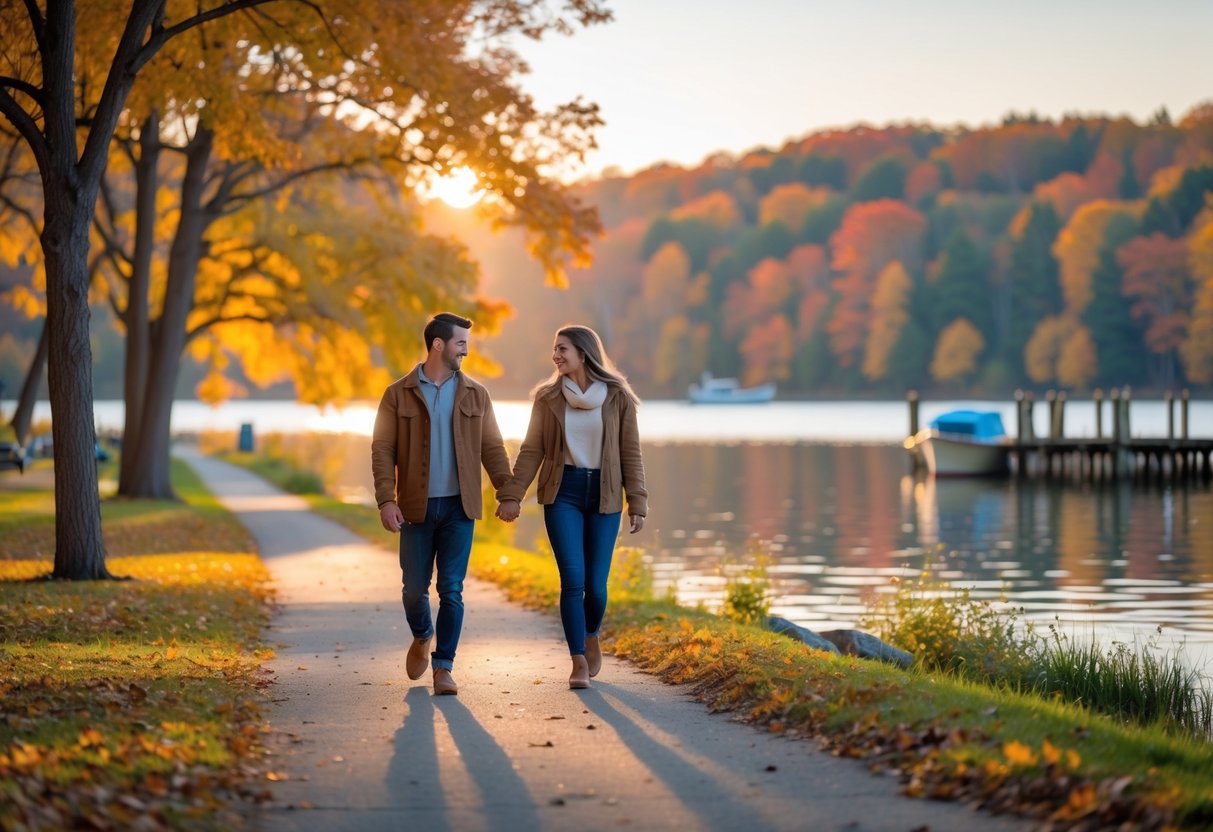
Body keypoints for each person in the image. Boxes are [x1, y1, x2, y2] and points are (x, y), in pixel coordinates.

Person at [496, 324, 647, 689]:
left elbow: (630, 452)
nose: (556, 356)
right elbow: (532, 450)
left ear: (584, 352)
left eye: (562, 349)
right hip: (562, 492)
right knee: (572, 580)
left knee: (595, 586)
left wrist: (637, 501)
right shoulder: (548, 398)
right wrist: (512, 494)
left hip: (605, 493)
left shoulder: (617, 398)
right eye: (554, 349)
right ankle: (578, 659)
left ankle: (591, 632)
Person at [371, 312, 513, 695]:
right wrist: (387, 499)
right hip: (414, 510)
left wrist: (508, 492)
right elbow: (382, 450)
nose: (466, 350)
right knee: (414, 590)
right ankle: (422, 635)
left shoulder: (476, 394)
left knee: (451, 589)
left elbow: (492, 448)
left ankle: (443, 667)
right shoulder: (397, 394)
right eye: (461, 343)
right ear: (439, 345)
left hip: (458, 509)